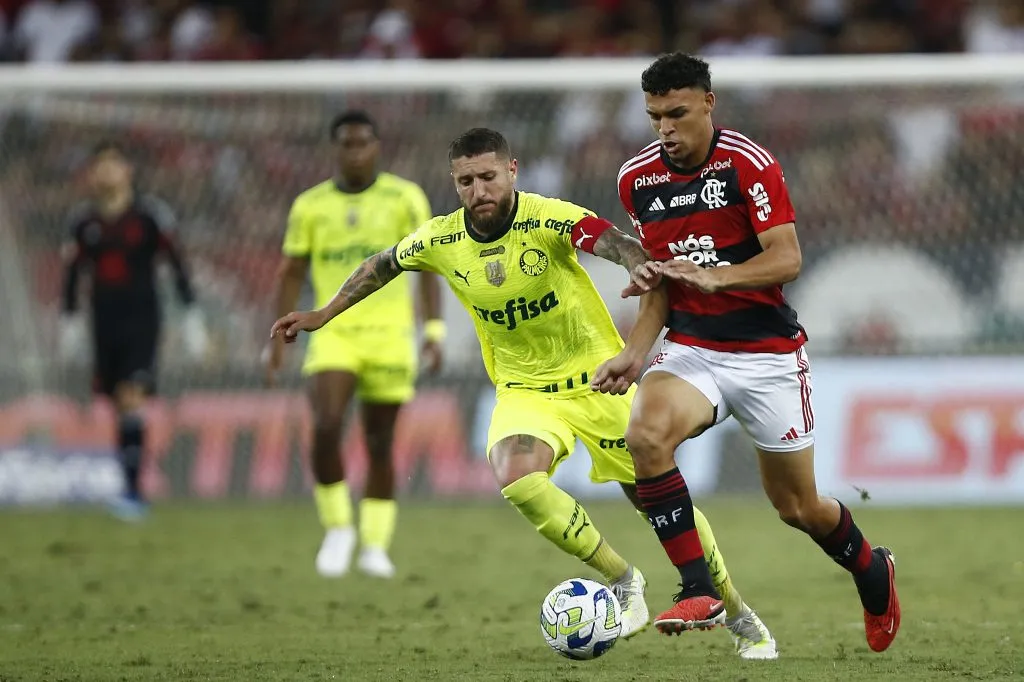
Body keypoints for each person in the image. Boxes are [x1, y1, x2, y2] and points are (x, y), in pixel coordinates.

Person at [271, 128, 777, 658]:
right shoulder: (442, 239)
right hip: (524, 390)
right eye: (466, 181)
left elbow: (613, 241)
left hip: (599, 382)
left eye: (488, 176)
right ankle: (624, 581)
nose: (478, 190)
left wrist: (639, 266)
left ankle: (739, 613)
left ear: (512, 172)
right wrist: (322, 314)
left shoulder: (548, 217)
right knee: (515, 476)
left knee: (659, 508)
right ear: (455, 183)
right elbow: (382, 263)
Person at [593, 52, 900, 652]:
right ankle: (696, 586)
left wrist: (718, 276)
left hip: (766, 356)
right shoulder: (638, 178)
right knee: (645, 435)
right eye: (655, 116)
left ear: (709, 103)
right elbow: (661, 280)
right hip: (692, 349)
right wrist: (635, 351)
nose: (665, 129)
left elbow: (786, 258)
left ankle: (872, 569)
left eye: (677, 113)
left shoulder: (749, 165)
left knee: (798, 508)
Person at [264, 110, 444, 580]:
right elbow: (291, 273)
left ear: (377, 147)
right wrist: (278, 338)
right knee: (325, 425)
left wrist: (434, 331)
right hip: (333, 334)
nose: (356, 151)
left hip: (391, 337)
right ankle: (339, 527)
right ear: (335, 149)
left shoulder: (405, 197)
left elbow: (428, 266)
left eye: (364, 143)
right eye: (347, 144)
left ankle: (375, 546)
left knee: (381, 444)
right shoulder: (310, 205)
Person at [60, 140, 208, 520]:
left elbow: (176, 264)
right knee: (118, 406)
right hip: (102, 322)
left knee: (131, 396)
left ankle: (132, 493)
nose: (106, 173)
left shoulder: (149, 216)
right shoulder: (83, 222)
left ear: (128, 171)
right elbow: (73, 274)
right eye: (99, 166)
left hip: (142, 319)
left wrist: (191, 316)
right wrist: (70, 321)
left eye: (114, 165)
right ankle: (130, 487)